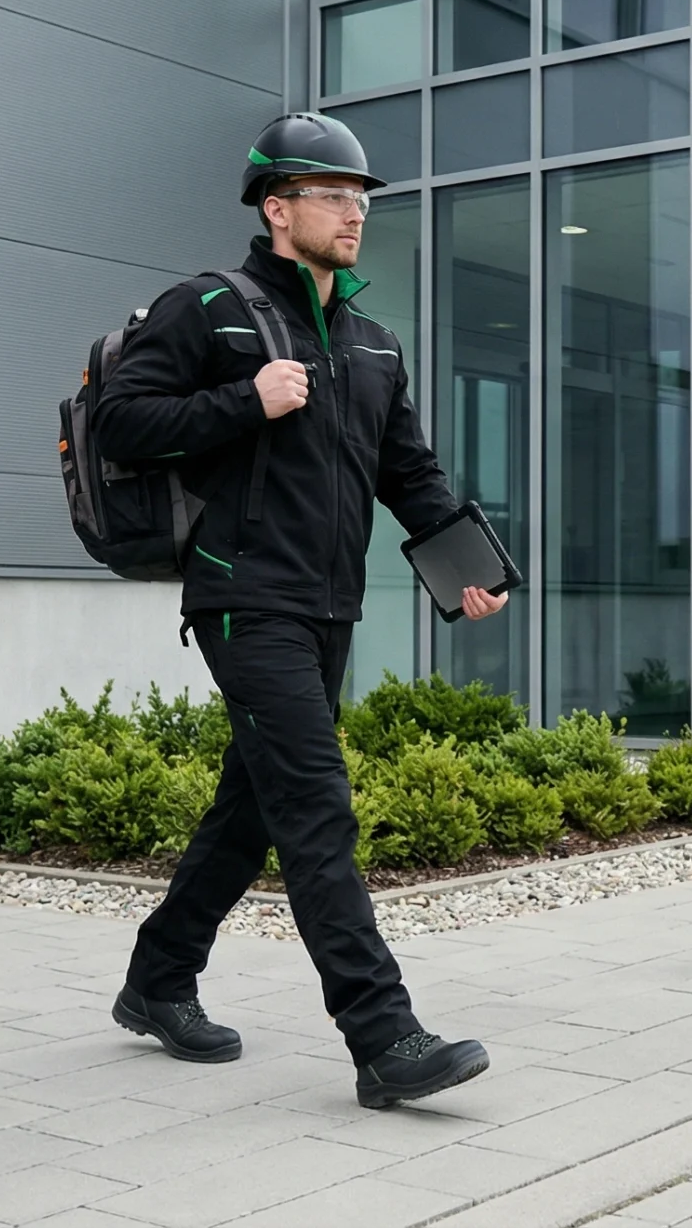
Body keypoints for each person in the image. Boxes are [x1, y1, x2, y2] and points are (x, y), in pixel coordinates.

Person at [95, 113, 506, 1109]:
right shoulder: (210, 309)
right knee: (318, 806)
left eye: (361, 199)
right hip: (244, 598)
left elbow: (409, 472)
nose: (354, 213)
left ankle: (157, 978)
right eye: (333, 196)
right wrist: (247, 399)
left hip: (330, 606)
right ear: (277, 209)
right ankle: (384, 1036)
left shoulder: (373, 343)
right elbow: (121, 421)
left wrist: (468, 566)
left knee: (253, 810)